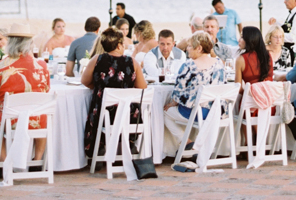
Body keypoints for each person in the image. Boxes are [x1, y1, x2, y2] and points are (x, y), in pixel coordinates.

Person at [0, 23, 51, 161]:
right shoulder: (42, 66)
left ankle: (4, 161)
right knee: (41, 113)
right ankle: (37, 160)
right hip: (37, 121)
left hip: (10, 122)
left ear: (10, 43)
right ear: (30, 44)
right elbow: (46, 90)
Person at [82, 27, 147, 158]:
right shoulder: (132, 62)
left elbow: (84, 81)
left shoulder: (96, 59)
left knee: (97, 104)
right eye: (122, 43)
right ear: (118, 45)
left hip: (104, 114)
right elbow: (142, 87)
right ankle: (129, 142)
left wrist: (99, 87)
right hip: (127, 114)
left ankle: (99, 145)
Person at [163, 31, 225, 155]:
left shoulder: (189, 65)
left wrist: (172, 103)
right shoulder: (219, 63)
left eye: (190, 46)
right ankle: (196, 146)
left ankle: (186, 142)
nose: (187, 49)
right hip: (215, 111)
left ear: (199, 48)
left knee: (165, 113)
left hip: (196, 113)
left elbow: (178, 91)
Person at [267, 0, 296, 64]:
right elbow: (288, 29)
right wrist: (276, 22)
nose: (284, 1)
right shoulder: (293, 13)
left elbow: (293, 37)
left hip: (295, 56)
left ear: (295, 0)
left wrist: (276, 36)